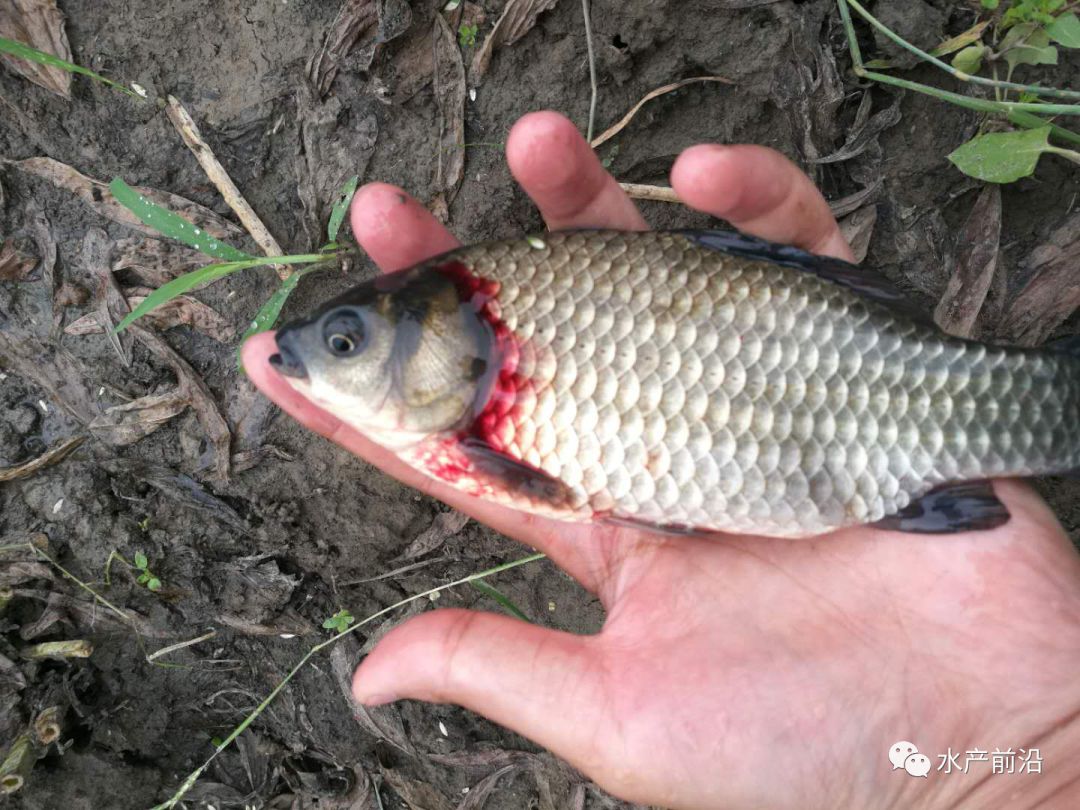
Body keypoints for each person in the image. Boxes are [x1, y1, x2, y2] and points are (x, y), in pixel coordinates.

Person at [242, 112, 1080, 809]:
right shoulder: (470, 424)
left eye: (347, 342)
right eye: (344, 342)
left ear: (461, 345)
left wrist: (1032, 758)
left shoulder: (486, 434)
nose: (330, 357)